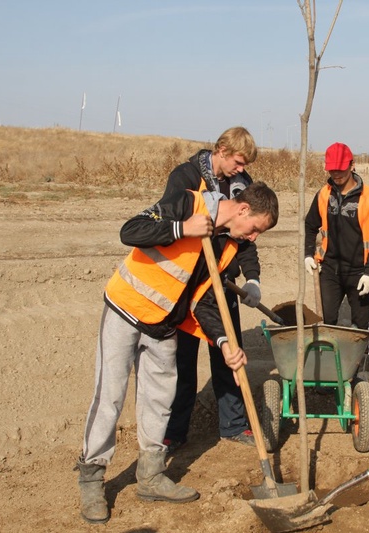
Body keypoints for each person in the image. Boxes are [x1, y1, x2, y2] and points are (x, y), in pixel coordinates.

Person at [75, 183, 279, 524]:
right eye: (256, 228)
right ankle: (92, 480)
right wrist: (181, 228)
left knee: (159, 401)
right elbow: (131, 230)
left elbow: (205, 301)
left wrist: (224, 343)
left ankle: (151, 476)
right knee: (109, 396)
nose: (254, 237)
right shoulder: (188, 202)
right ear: (243, 210)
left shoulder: (227, 246)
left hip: (165, 325)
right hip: (126, 309)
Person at [160, 127, 262, 450]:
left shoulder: (241, 185)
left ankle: (233, 424)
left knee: (228, 355)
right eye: (238, 162)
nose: (241, 169)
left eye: (245, 165)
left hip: (224, 283)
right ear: (221, 150)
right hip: (189, 285)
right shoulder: (186, 177)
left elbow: (247, 238)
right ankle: (175, 431)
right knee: (183, 363)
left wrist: (253, 278)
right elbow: (169, 221)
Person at [304, 142, 369, 376]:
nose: (337, 174)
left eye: (341, 169)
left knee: (360, 323)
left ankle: (361, 368)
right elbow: (310, 225)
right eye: (332, 170)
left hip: (359, 272)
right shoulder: (324, 195)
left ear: (352, 165)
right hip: (330, 269)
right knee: (326, 320)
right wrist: (308, 254)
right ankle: (327, 369)